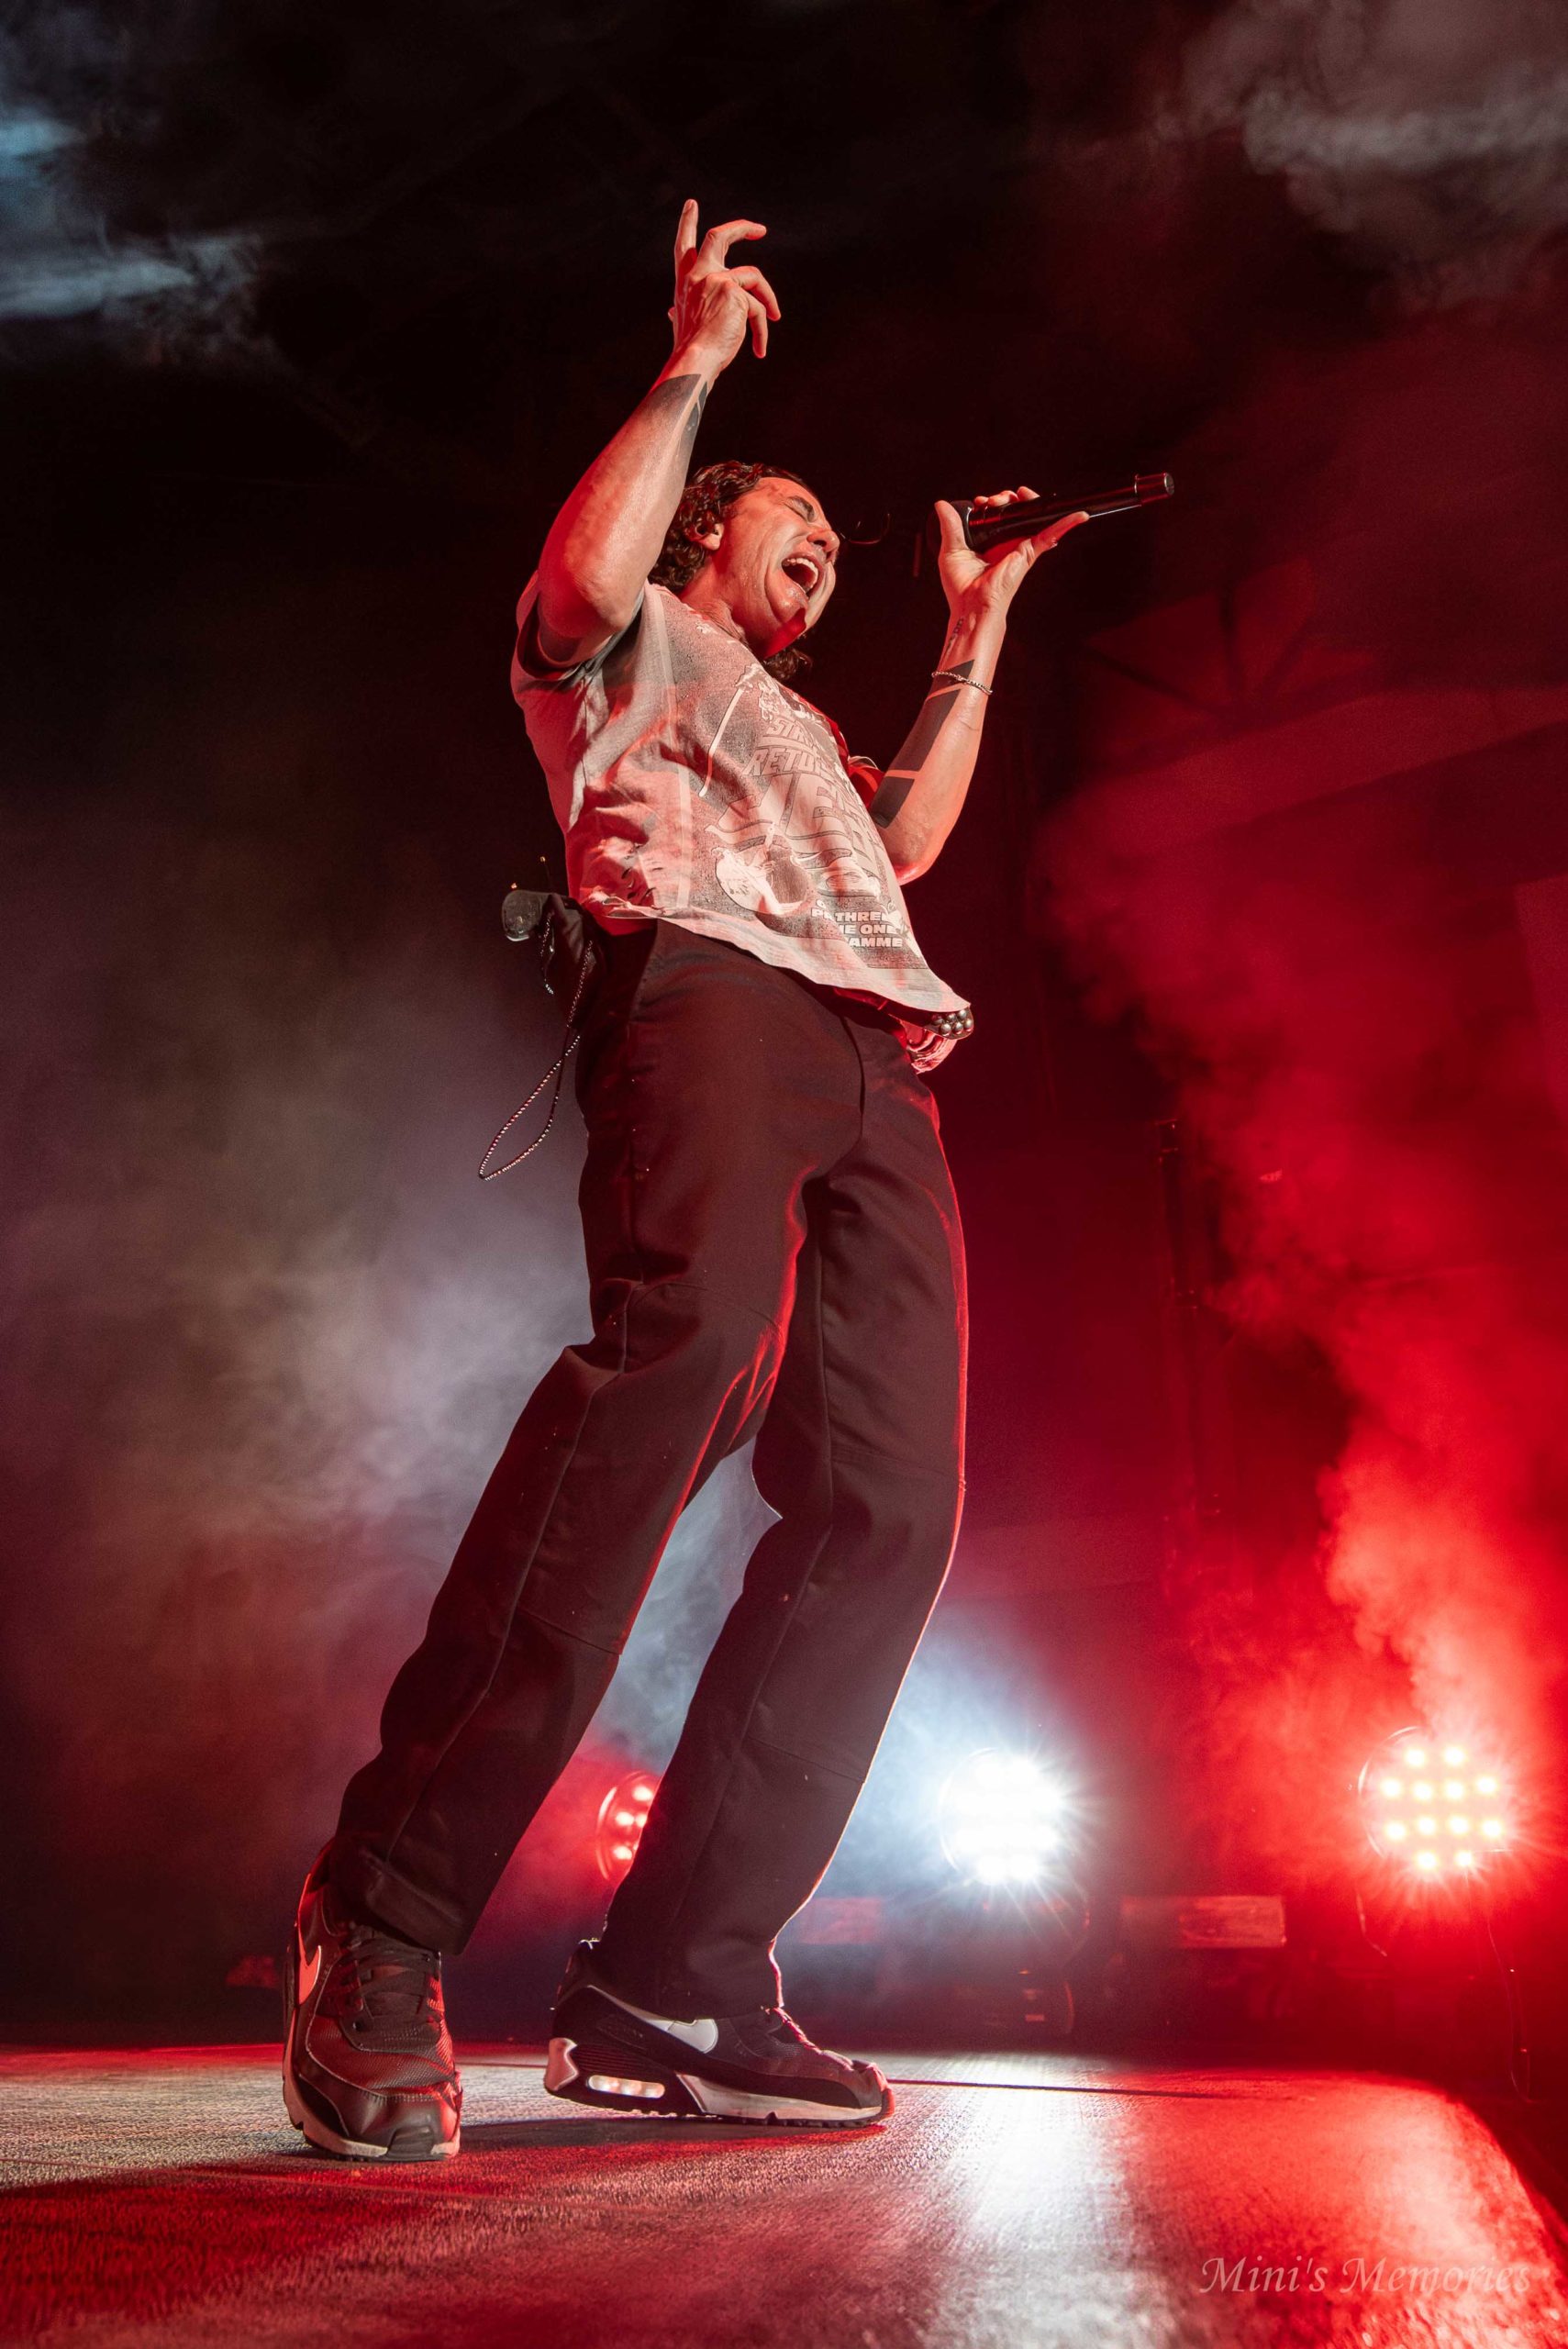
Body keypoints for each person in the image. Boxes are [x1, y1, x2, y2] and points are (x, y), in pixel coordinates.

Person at [283, 202, 1085, 2160]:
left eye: (833, 541)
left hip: (876, 1047)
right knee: (689, 1363)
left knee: (892, 1503)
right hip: (706, 990)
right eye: (791, 521)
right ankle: (383, 1907)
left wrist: (972, 631)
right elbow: (575, 578)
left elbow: (906, 847)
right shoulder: (629, 632)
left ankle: (679, 1975)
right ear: (707, 529)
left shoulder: (802, 718)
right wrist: (696, 364)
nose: (826, 547)